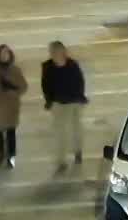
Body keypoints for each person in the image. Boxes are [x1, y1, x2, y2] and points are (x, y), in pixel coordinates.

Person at [40, 40, 87, 171]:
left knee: (76, 129)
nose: (55, 55)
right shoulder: (47, 67)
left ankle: (78, 151)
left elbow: (80, 82)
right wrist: (49, 101)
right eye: (53, 52)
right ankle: (61, 161)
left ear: (63, 52)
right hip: (58, 103)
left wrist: (80, 97)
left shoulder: (72, 65)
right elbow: (45, 85)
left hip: (74, 102)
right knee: (60, 133)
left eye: (58, 52)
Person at [0, 44, 27, 168]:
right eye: (2, 53)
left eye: (6, 53)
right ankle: (0, 154)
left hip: (11, 106)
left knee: (11, 131)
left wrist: (14, 93)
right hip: (0, 105)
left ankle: (11, 156)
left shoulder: (15, 70)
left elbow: (23, 86)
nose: (4, 56)